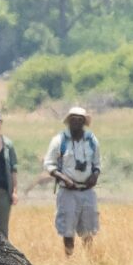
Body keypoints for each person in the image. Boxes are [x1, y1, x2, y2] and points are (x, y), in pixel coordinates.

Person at [44, 105, 101, 256]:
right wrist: (64, 178)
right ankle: (69, 258)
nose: (76, 122)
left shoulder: (92, 140)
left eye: (79, 120)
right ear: (68, 121)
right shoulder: (59, 141)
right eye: (73, 119)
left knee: (89, 228)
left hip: (87, 191)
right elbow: (49, 164)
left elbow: (97, 163)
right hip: (67, 191)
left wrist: (95, 175)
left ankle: (88, 259)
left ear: (84, 122)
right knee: (67, 229)